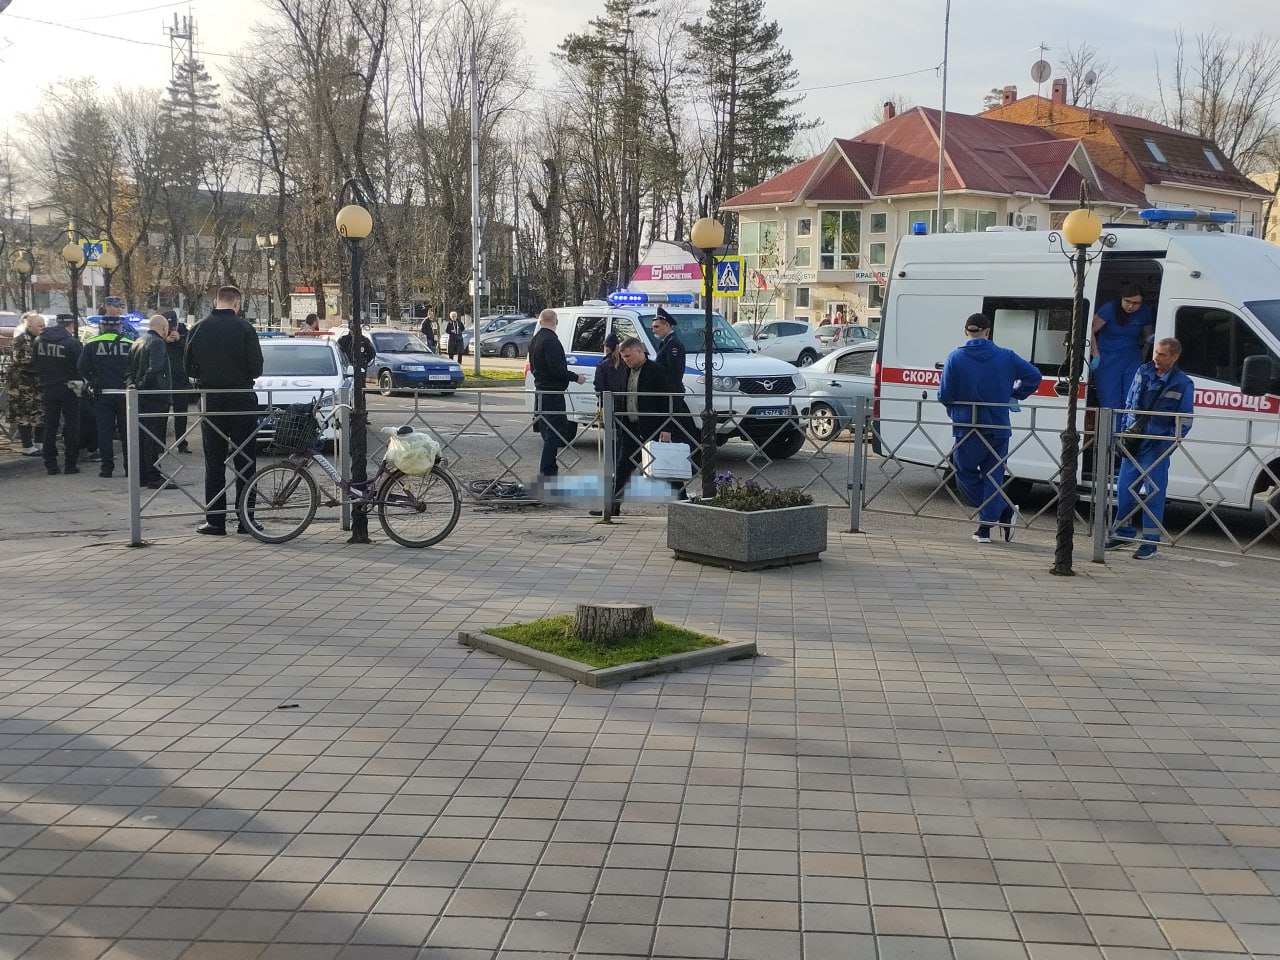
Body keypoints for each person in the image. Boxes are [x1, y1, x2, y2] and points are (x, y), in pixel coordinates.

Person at [938, 313, 1042, 544]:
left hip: (967, 425)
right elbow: (1034, 376)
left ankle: (1000, 513)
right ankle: (986, 527)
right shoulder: (1006, 356)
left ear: (966, 332)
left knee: (963, 471)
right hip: (998, 425)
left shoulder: (955, 357)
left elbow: (944, 395)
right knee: (993, 476)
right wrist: (1015, 394)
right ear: (988, 331)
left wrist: (955, 407)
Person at [185, 286, 264, 536]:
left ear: (215, 301)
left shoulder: (199, 328)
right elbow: (256, 368)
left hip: (211, 399)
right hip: (242, 399)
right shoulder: (245, 328)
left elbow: (189, 366)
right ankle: (246, 521)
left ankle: (215, 521)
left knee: (214, 461)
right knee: (246, 460)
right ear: (237, 303)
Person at [1106, 337, 1194, 559]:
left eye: (1162, 354)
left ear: (1174, 357)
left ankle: (1150, 542)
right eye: (1156, 353)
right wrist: (1125, 432)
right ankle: (1123, 532)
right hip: (1134, 443)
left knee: (1154, 494)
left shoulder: (1183, 383)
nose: (1156, 358)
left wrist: (1167, 446)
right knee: (1125, 490)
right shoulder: (1142, 372)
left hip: (1156, 447)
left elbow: (1184, 421)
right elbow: (1129, 404)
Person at [590, 337, 682, 517]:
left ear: (640, 352)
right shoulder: (626, 371)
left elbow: (670, 400)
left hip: (653, 428)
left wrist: (668, 428)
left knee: (667, 467)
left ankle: (684, 504)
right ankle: (612, 508)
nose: (625, 360)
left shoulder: (657, 371)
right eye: (623, 357)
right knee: (623, 467)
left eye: (628, 356)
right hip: (630, 427)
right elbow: (622, 397)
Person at [77, 298, 136, 478]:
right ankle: (129, 468)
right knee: (127, 433)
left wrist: (94, 379)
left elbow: (81, 367)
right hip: (126, 394)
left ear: (102, 326)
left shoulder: (92, 343)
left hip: (103, 393)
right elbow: (136, 367)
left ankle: (106, 468)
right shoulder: (129, 343)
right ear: (119, 327)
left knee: (105, 432)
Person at [528, 308, 585, 479]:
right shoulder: (551, 341)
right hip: (552, 392)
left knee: (549, 432)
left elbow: (534, 366)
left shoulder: (536, 339)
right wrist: (575, 377)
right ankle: (548, 471)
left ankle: (549, 468)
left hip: (541, 390)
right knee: (554, 433)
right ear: (555, 322)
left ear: (540, 321)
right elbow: (556, 369)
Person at [128, 315, 178, 490]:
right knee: (154, 438)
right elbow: (155, 368)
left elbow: (129, 370)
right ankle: (153, 476)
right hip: (155, 397)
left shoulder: (137, 342)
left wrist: (133, 386)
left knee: (143, 437)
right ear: (164, 328)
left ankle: (143, 475)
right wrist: (142, 385)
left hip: (141, 399)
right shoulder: (157, 343)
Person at [1090, 284, 1155, 409]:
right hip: (1108, 358)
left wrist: (1142, 357)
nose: (1131, 306)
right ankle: (1111, 429)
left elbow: (1148, 337)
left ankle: (1126, 429)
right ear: (1121, 298)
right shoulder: (1109, 309)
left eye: (1136, 303)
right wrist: (1096, 354)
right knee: (1110, 402)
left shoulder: (1144, 311)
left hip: (1132, 357)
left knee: (1131, 399)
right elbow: (1091, 330)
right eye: (1127, 301)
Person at [33, 315, 82, 475]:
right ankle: (70, 464)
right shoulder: (72, 343)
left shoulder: (39, 341)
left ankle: (51, 465)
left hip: (48, 387)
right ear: (71, 324)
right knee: (72, 426)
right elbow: (80, 367)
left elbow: (35, 363)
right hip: (69, 388)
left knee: (50, 425)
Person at [6, 312, 45, 456]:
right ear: (30, 326)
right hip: (22, 385)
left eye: (44, 325)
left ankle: (39, 444)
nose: (43, 328)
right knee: (24, 415)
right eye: (40, 326)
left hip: (38, 383)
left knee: (41, 413)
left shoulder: (42, 339)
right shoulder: (21, 340)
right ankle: (27, 446)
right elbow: (24, 361)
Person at [164, 310, 194, 453]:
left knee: (181, 414)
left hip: (181, 379)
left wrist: (179, 341)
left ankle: (181, 443)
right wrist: (165, 341)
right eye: (169, 327)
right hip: (163, 380)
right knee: (161, 414)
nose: (172, 329)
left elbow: (191, 351)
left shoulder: (185, 333)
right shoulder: (161, 334)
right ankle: (159, 443)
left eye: (174, 326)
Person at [652, 308, 686, 389]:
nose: (654, 330)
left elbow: (674, 372)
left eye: (656, 327)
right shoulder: (667, 342)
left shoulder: (673, 344)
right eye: (653, 327)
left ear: (667, 325)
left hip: (670, 390)